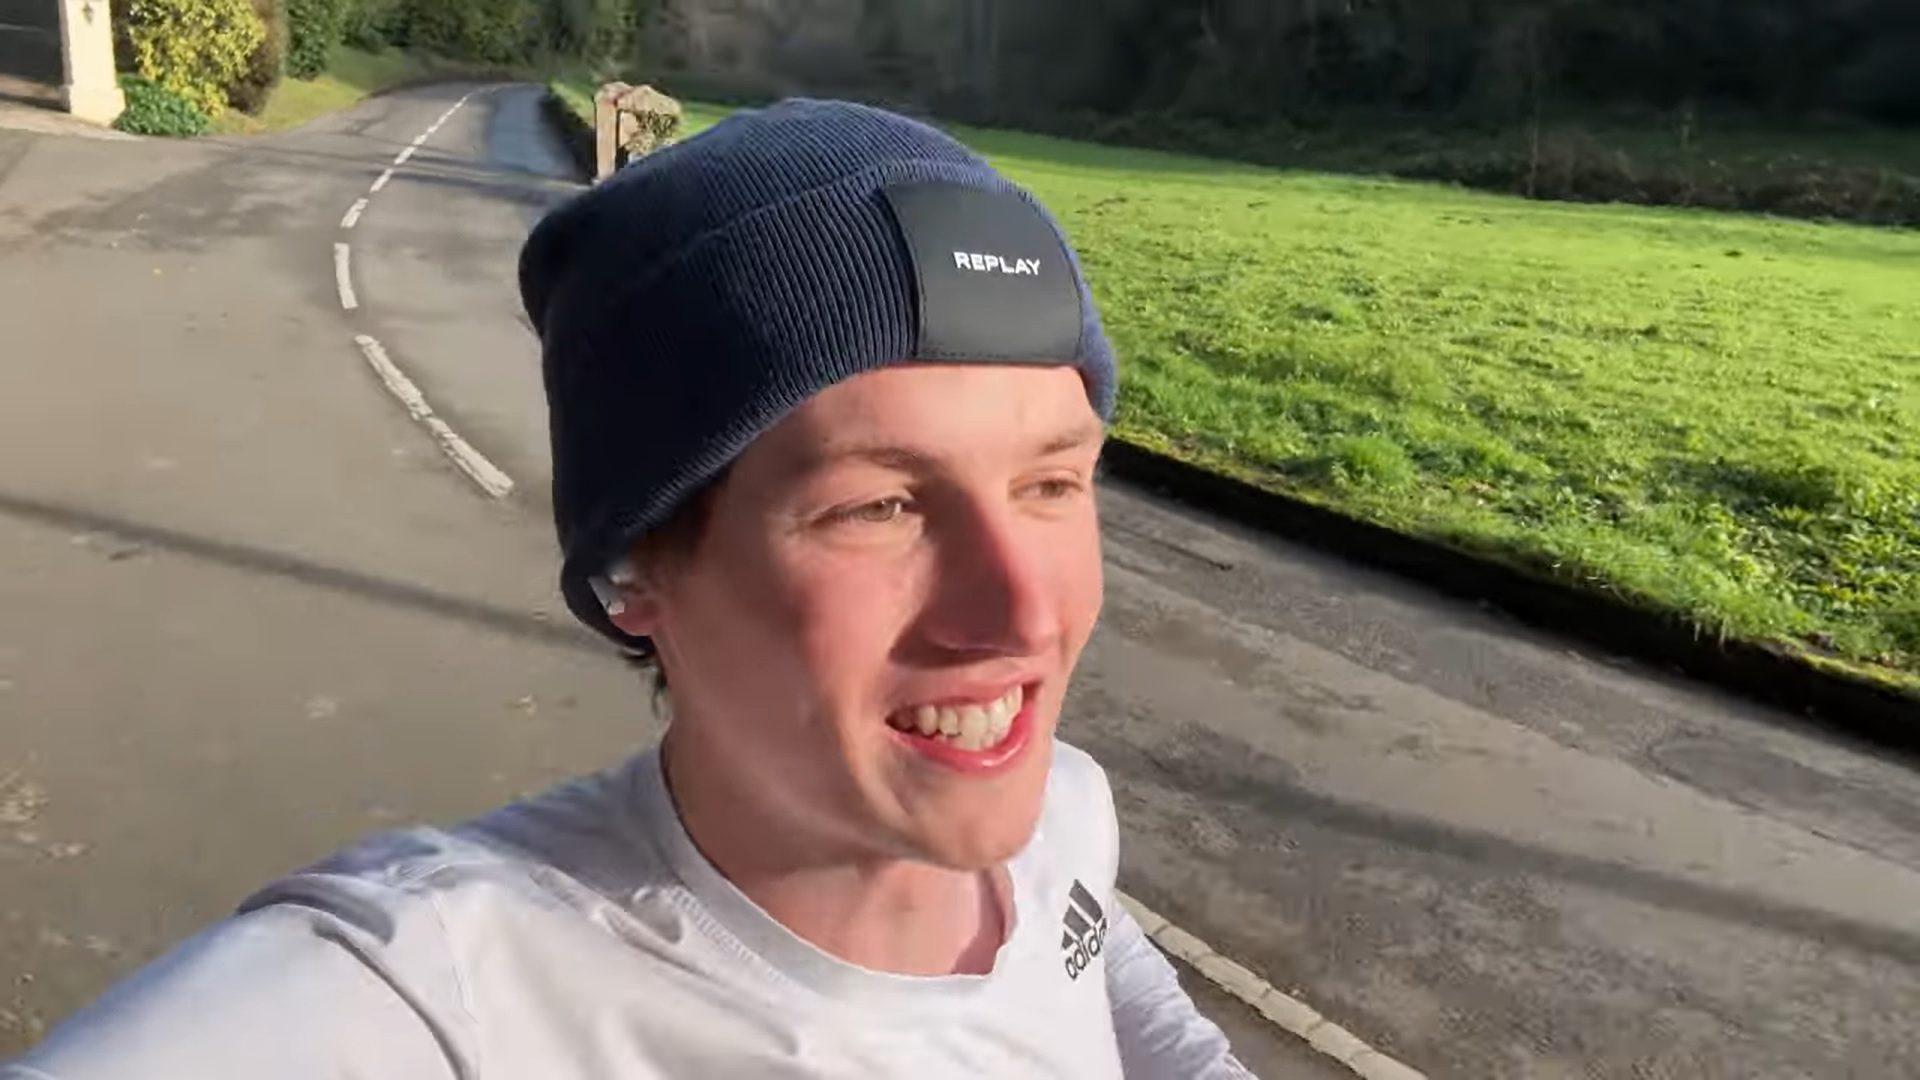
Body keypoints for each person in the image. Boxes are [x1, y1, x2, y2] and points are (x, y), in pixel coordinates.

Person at [2, 99, 1252, 1079]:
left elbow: (1102, 972)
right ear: (636, 568)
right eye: (878, 506)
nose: (1024, 611)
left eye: (1051, 484)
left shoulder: (1061, 813)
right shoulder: (445, 994)